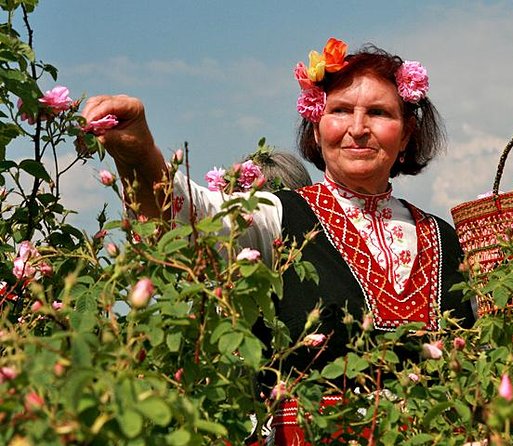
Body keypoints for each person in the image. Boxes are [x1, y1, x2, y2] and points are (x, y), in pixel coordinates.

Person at [82, 37, 475, 444]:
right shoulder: (278, 216)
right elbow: (192, 217)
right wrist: (140, 154)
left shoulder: (442, 238)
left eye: (378, 113)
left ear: (407, 132)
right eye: (340, 111)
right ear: (317, 125)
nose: (358, 129)